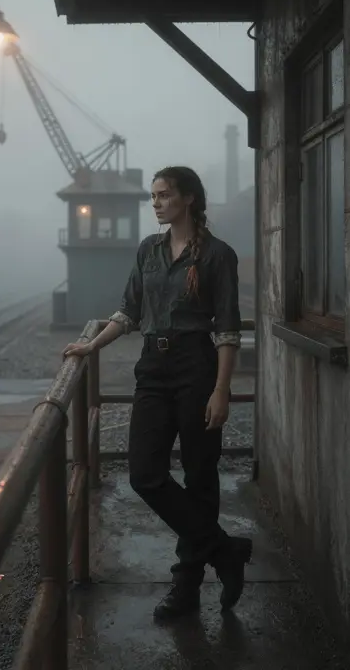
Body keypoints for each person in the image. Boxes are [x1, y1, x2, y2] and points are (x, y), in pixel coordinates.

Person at [63, 166, 252, 621]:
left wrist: (221, 390)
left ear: (189, 198)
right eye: (153, 197)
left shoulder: (218, 256)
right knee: (144, 473)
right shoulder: (148, 249)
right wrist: (91, 345)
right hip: (153, 368)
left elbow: (228, 331)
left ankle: (185, 588)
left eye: (164, 195)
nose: (157, 204)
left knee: (200, 475)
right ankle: (225, 550)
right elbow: (128, 311)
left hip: (197, 368)